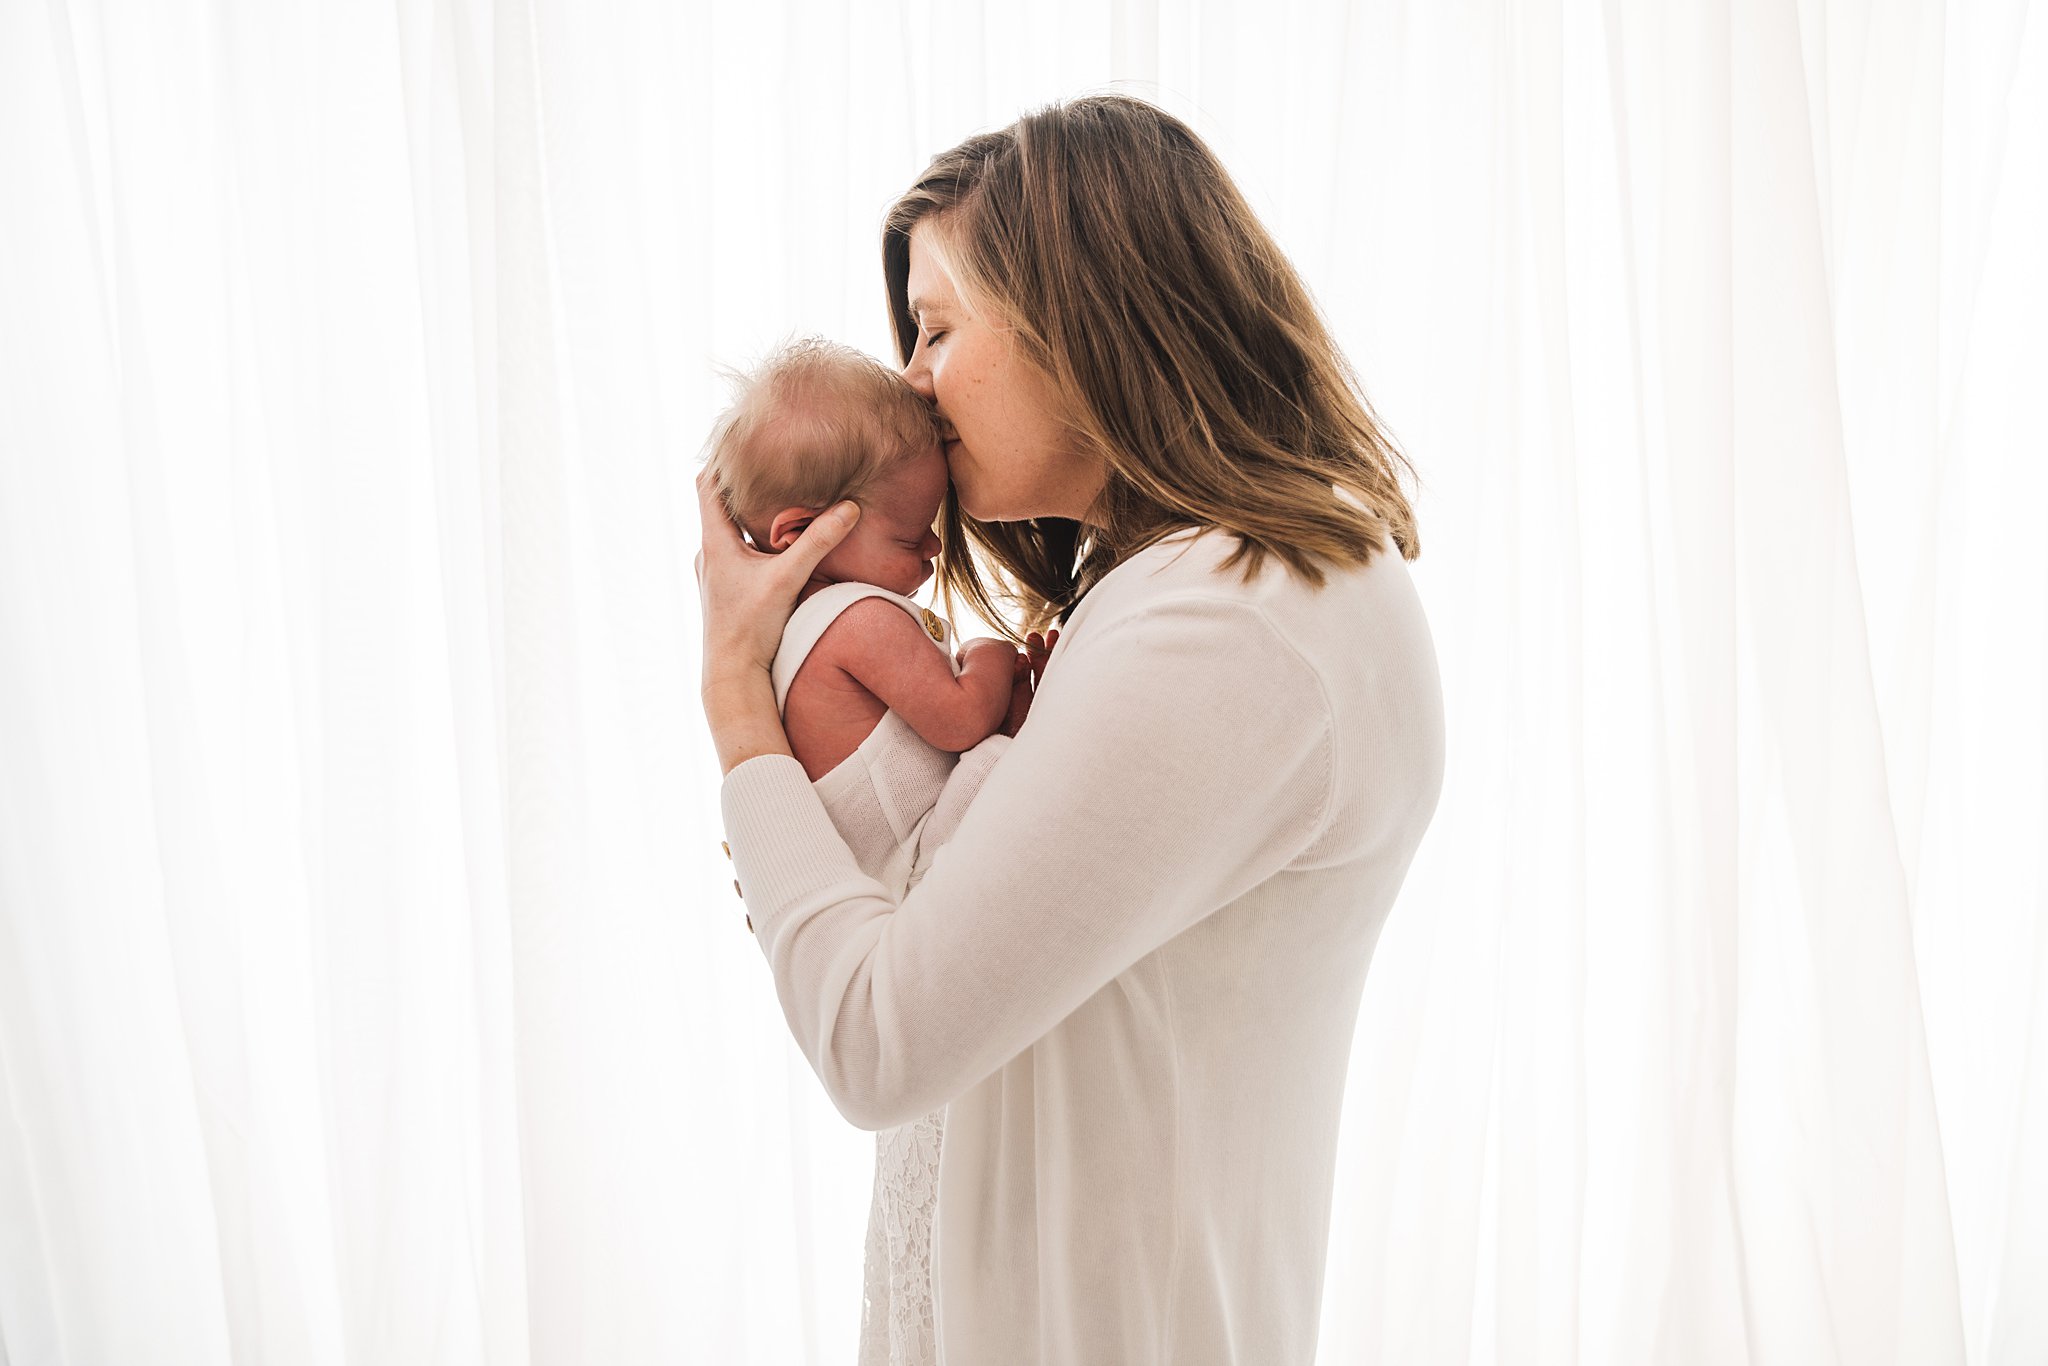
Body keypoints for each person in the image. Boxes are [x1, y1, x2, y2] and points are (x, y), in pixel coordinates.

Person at [695, 93, 1445, 1365]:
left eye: (934, 332)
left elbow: (877, 1038)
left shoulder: (1228, 622)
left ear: (1082, 314)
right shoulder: (1165, 596)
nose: (913, 388)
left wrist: (734, 691)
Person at [700, 334, 1059, 1365]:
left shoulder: (781, 642)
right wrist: (995, 652)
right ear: (804, 534)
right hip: (910, 865)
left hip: (879, 870)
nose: (932, 557)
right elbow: (954, 722)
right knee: (1001, 771)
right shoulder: (855, 615)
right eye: (914, 535)